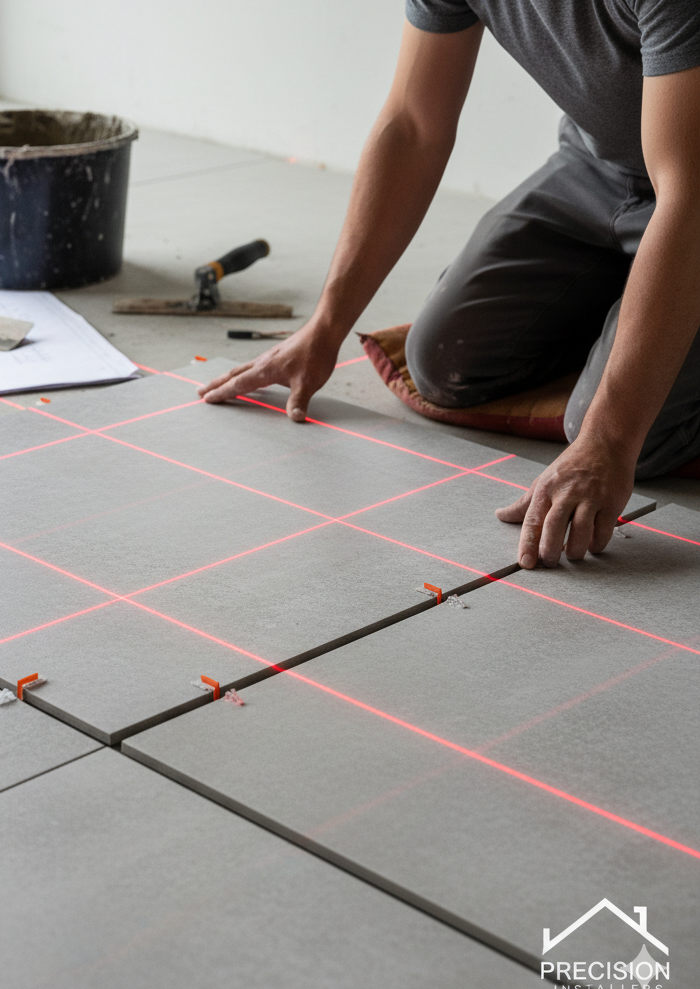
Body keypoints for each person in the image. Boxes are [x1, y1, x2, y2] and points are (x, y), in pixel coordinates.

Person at [198, 2, 700, 570]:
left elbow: (687, 197)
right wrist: (325, 326)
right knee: (444, 361)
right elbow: (413, 125)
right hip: (598, 170)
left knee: (634, 433)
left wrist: (607, 440)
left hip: (693, 185)